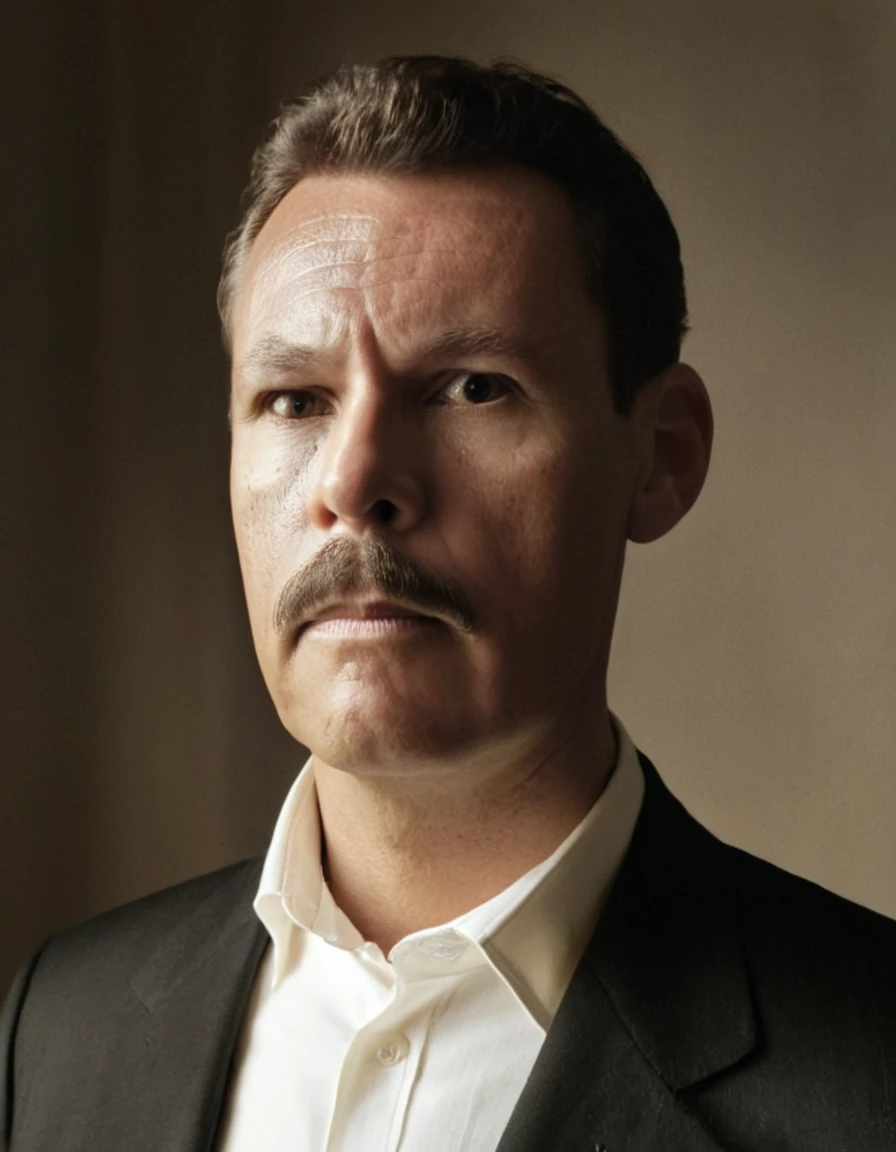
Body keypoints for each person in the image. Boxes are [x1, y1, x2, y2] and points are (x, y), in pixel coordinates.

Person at [2, 54, 894, 1152]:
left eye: (472, 387)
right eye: (293, 400)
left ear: (659, 457)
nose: (354, 481)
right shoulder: (57, 1027)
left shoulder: (866, 1072)